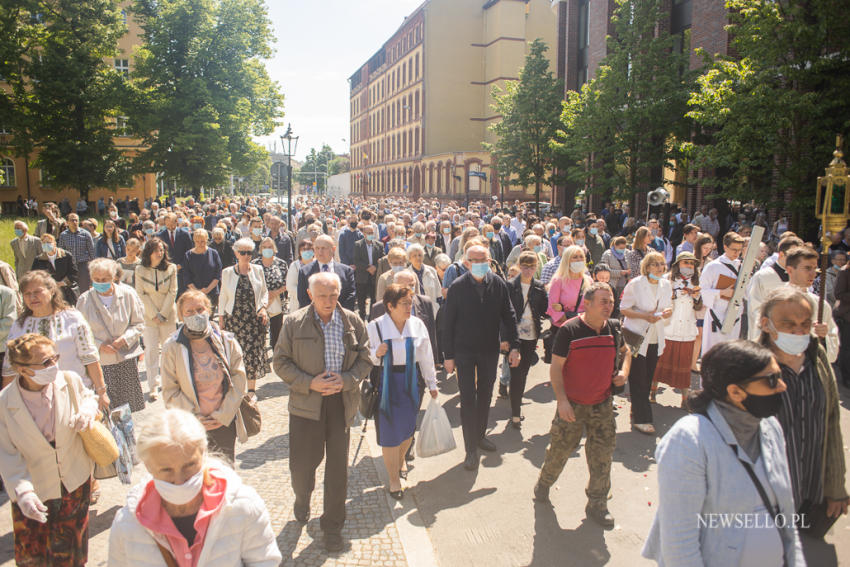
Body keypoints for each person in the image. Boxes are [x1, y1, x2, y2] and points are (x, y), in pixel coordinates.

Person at [642, 340, 805, 566]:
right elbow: (679, 545)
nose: (782, 386)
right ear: (735, 392)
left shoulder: (771, 428)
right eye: (771, 380)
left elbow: (787, 521)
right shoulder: (690, 441)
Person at [272, 271, 371, 552]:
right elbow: (280, 362)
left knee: (338, 470)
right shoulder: (293, 322)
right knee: (302, 467)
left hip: (341, 404)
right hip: (306, 405)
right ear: (310, 295)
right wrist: (309, 383)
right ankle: (302, 497)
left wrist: (348, 380)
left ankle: (332, 528)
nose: (328, 301)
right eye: (322, 296)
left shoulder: (352, 321)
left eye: (333, 295)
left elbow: (366, 359)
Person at [108, 408, 282, 565]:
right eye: (166, 470)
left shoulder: (244, 506)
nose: (179, 480)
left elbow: (265, 561)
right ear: (148, 467)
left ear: (203, 454)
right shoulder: (127, 524)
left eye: (189, 465)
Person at [758, 287, 848, 547]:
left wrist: (835, 486)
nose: (799, 331)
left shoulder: (817, 358)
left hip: (810, 494)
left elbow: (831, 422)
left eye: (805, 324)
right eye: (788, 324)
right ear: (766, 324)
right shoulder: (749, 367)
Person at [533, 283, 629, 528]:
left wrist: (624, 373)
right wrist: (562, 401)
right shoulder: (570, 331)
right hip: (573, 405)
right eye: (603, 301)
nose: (609, 306)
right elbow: (556, 368)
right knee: (559, 451)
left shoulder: (615, 329)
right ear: (587, 303)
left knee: (602, 456)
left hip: (603, 405)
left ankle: (598, 503)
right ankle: (544, 482)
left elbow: (627, 352)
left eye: (611, 301)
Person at [0, 334, 99, 566]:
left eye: (54, 358)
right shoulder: (5, 403)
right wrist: (23, 493)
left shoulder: (69, 380)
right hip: (35, 491)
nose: (53, 366)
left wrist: (88, 408)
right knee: (33, 557)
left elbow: (89, 398)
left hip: (74, 482)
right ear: (22, 370)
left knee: (71, 555)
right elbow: (7, 455)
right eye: (45, 362)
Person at [442, 245, 519, 470]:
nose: (479, 263)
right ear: (466, 263)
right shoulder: (457, 287)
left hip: (488, 349)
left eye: (483, 259)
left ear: (490, 260)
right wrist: (448, 356)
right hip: (464, 350)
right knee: (467, 399)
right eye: (474, 260)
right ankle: (470, 449)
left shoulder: (498, 284)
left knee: (485, 393)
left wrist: (514, 345)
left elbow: (509, 314)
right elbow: (448, 324)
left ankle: (480, 435)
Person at [367, 284, 438, 499]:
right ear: (390, 306)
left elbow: (426, 355)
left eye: (410, 302)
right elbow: (363, 355)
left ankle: (400, 459)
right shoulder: (376, 327)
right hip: (385, 383)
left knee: (407, 431)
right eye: (405, 303)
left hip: (411, 381)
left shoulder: (417, 325)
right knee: (390, 433)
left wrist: (432, 383)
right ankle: (394, 479)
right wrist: (375, 353)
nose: (410, 307)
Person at [161, 291, 248, 461]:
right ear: (181, 315)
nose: (196, 315)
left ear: (209, 310)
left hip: (223, 423)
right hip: (190, 426)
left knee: (224, 475)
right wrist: (194, 417)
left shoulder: (227, 341)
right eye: (189, 312)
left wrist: (222, 415)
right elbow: (169, 391)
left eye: (200, 309)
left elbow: (239, 380)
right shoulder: (172, 347)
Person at [2, 271, 108, 409]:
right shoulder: (19, 325)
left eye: (37, 291)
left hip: (74, 397)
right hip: (34, 403)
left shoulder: (72, 318)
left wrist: (101, 392)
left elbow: (90, 358)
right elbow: (10, 368)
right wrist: (5, 403)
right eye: (27, 293)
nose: (32, 297)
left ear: (52, 291)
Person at [76, 258, 146, 412]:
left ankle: (128, 436)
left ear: (114, 277)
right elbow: (79, 333)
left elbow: (139, 323)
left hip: (125, 359)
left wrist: (124, 339)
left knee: (127, 410)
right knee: (105, 409)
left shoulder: (128, 294)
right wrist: (100, 344)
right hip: (100, 363)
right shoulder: (84, 300)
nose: (101, 282)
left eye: (105, 279)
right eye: (97, 279)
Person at [620, 251, 673, 434]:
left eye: (662, 264)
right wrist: (644, 316)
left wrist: (667, 313)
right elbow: (624, 309)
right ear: (647, 266)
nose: (659, 268)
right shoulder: (635, 284)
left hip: (655, 336)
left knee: (648, 375)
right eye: (655, 264)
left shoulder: (666, 285)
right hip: (637, 335)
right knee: (638, 377)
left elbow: (667, 306)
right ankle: (642, 418)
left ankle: (637, 407)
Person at [503, 251, 548, 428]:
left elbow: (544, 309)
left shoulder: (538, 287)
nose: (528, 270)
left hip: (531, 335)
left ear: (536, 267)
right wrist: (504, 338)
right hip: (514, 335)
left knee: (523, 372)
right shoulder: (510, 286)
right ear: (519, 266)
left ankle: (515, 400)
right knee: (516, 373)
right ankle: (515, 413)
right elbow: (503, 314)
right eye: (525, 266)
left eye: (532, 266)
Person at [219, 238, 269, 397]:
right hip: (234, 318)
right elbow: (223, 296)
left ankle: (252, 390)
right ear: (236, 253)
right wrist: (221, 319)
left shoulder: (257, 269)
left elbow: (264, 292)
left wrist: (263, 307)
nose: (246, 255)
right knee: (235, 352)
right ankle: (237, 387)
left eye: (249, 252)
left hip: (253, 318)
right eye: (243, 252)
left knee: (252, 352)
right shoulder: (227, 272)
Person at [651, 252, 701, 409]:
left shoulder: (696, 282)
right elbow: (658, 299)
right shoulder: (667, 280)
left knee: (684, 366)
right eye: (685, 263)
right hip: (669, 328)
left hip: (686, 329)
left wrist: (696, 296)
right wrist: (676, 293)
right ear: (678, 264)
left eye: (691, 264)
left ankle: (684, 399)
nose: (688, 266)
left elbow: (699, 307)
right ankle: (652, 391)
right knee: (660, 362)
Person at [135, 238, 179, 401]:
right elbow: (140, 293)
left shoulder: (171, 268)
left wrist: (163, 314)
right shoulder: (140, 270)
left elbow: (173, 292)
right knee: (151, 350)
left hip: (167, 315)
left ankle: (170, 383)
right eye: (156, 250)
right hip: (149, 317)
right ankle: (153, 385)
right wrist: (154, 314)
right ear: (149, 252)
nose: (159, 253)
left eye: (161, 250)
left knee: (169, 350)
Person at [784, 245, 840, 363]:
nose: (813, 274)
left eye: (815, 268)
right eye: (807, 268)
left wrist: (823, 338)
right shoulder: (775, 301)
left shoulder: (821, 305)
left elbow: (832, 353)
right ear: (790, 270)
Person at [746, 235, 803, 340]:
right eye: (793, 257)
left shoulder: (800, 278)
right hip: (768, 334)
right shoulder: (763, 277)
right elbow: (755, 308)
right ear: (781, 254)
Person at [700, 232, 746, 355]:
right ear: (725, 247)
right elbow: (702, 291)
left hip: (734, 316)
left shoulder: (742, 267)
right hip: (716, 315)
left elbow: (747, 292)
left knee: (730, 352)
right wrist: (721, 292)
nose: (737, 253)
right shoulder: (713, 266)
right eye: (734, 250)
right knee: (713, 352)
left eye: (739, 250)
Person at [296, 234, 357, 312]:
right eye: (317, 248)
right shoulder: (304, 272)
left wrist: (337, 313)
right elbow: (302, 299)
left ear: (333, 249)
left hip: (340, 317)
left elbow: (351, 296)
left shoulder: (346, 271)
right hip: (314, 318)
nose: (320, 252)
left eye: (323, 248)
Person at [252, 237, 288, 353]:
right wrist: (265, 296)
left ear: (274, 248)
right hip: (259, 303)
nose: (267, 249)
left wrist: (274, 293)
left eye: (270, 247)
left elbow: (287, 283)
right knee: (259, 331)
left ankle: (277, 355)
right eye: (265, 247)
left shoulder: (281, 264)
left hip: (277, 301)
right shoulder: (254, 264)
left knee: (277, 331)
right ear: (260, 249)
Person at [547, 245, 593, 329]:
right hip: (564, 328)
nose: (579, 260)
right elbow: (552, 308)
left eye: (581, 257)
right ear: (567, 260)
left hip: (585, 326)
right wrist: (572, 322)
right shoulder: (558, 281)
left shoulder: (589, 280)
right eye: (575, 257)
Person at [33, 232, 80, 307]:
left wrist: (63, 282)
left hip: (66, 291)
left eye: (48, 242)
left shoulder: (66, 255)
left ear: (54, 243)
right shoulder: (39, 259)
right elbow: (35, 275)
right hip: (49, 291)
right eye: (44, 243)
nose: (46, 244)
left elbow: (74, 273)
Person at [183, 228, 223, 312]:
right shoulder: (188, 255)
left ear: (207, 240)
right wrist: (198, 292)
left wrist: (207, 289)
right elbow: (187, 276)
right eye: (197, 241)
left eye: (203, 241)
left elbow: (218, 274)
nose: (200, 244)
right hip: (194, 294)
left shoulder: (214, 253)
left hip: (212, 292)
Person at [353, 223, 385, 319]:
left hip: (374, 276)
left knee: (374, 298)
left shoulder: (379, 245)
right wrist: (368, 268)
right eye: (368, 233)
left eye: (372, 232)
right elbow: (356, 260)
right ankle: (362, 316)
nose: (371, 234)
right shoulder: (358, 245)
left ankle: (372, 317)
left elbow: (382, 258)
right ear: (364, 233)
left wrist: (375, 267)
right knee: (361, 299)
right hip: (362, 276)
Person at [58, 213, 97, 292]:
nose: (75, 222)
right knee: (70, 289)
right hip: (69, 267)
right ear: (67, 222)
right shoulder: (63, 235)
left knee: (84, 289)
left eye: (76, 220)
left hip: (83, 266)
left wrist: (93, 268)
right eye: (72, 220)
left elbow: (92, 252)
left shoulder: (86, 234)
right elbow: (61, 253)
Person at [406, 243, 442, 309]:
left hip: (432, 309)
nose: (418, 258)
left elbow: (439, 294)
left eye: (420, 255)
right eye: (414, 256)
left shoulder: (432, 271)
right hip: (415, 309)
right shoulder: (406, 274)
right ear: (409, 259)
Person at [287, 240, 314, 313]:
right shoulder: (295, 266)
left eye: (309, 249)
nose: (307, 252)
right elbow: (290, 286)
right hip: (298, 304)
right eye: (304, 249)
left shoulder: (317, 264)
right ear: (299, 252)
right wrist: (306, 295)